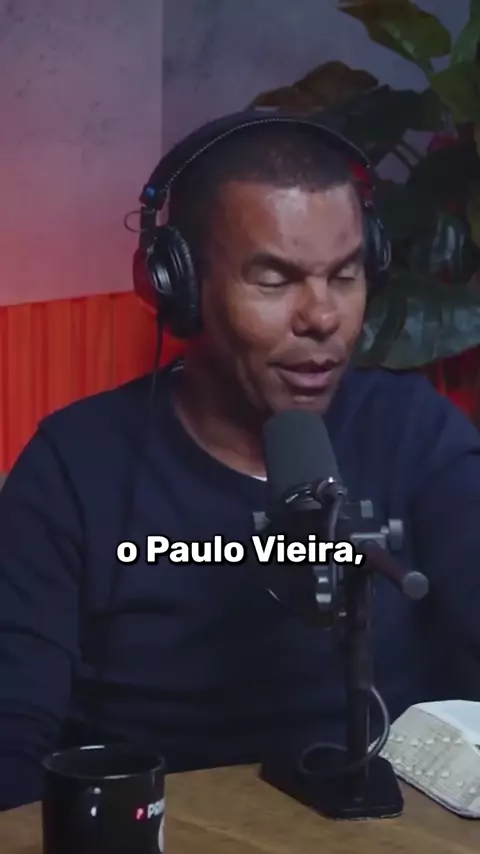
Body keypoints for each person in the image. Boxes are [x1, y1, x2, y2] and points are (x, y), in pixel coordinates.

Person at [1, 114, 480, 812]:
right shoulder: (76, 467)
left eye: (345, 275)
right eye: (274, 281)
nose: (322, 317)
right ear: (180, 287)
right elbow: (11, 740)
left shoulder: (414, 432)